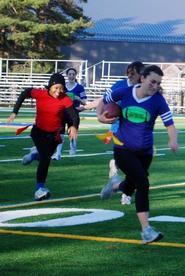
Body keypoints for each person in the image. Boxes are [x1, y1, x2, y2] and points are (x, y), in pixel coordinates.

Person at [96, 65, 178, 243]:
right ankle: (146, 231)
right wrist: (100, 117)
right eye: (152, 81)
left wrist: (173, 140)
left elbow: (169, 124)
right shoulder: (124, 93)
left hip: (145, 152)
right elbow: (103, 100)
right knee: (143, 183)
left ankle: (116, 185)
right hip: (122, 149)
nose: (155, 86)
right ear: (143, 79)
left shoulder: (158, 101)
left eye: (158, 83)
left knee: (131, 186)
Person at [7, 73, 78, 201]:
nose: (59, 91)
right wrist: (14, 112)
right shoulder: (40, 94)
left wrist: (74, 126)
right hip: (39, 132)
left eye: (61, 88)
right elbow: (24, 93)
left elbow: (74, 115)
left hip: (54, 135)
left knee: (45, 157)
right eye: (56, 88)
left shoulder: (65, 98)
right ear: (50, 86)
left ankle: (33, 155)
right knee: (45, 158)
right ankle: (39, 189)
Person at [85, 61, 145, 204]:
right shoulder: (120, 86)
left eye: (135, 73)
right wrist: (100, 116)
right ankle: (126, 193)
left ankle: (116, 169)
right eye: (130, 73)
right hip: (120, 126)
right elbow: (103, 100)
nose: (131, 76)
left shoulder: (146, 88)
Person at [51, 67, 87, 160]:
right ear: (67, 76)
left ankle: (73, 148)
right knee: (60, 133)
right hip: (62, 112)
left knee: (72, 134)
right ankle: (58, 154)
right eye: (69, 74)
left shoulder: (80, 87)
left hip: (73, 113)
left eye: (73, 74)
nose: (71, 76)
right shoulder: (62, 87)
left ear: (75, 76)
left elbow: (85, 102)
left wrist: (77, 98)